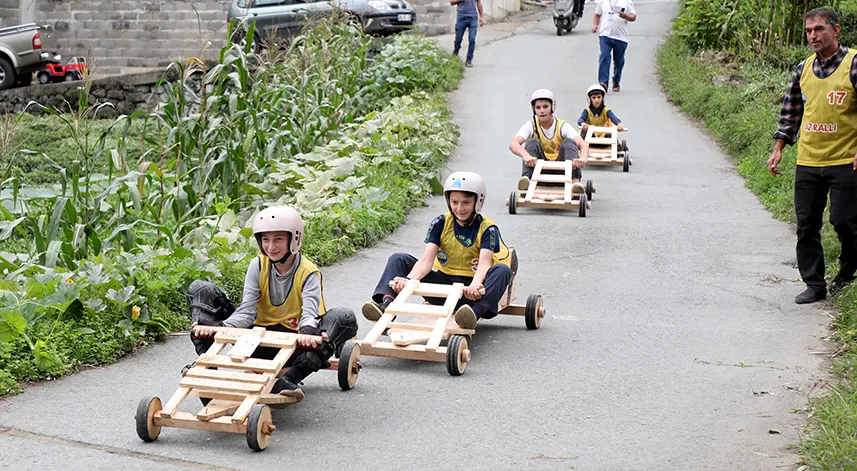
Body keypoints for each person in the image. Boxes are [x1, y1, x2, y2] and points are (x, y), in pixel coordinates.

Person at [186, 206, 359, 400]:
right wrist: (220, 327)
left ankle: (290, 380)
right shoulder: (257, 265)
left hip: (294, 346)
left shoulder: (309, 272)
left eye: (278, 239)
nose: (271, 246)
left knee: (343, 318)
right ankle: (207, 368)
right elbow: (247, 311)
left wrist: (309, 334)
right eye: (266, 239)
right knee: (200, 290)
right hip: (256, 341)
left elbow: (309, 315)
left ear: (294, 239)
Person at [768, 7, 857, 304]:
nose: (812, 36)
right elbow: (791, 112)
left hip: (846, 160)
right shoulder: (802, 69)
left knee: (845, 222)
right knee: (806, 226)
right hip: (808, 160)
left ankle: (848, 271)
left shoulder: (853, 64)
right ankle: (814, 283)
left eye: (818, 29)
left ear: (835, 30)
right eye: (808, 31)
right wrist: (779, 147)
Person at [361, 172, 513, 330]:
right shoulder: (440, 222)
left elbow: (484, 264)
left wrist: (474, 286)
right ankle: (386, 306)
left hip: (470, 295)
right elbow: (426, 261)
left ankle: (472, 315)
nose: (459, 208)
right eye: (454, 202)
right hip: (442, 289)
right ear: (448, 201)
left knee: (502, 271)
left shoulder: (488, 228)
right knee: (398, 259)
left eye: (466, 202)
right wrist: (408, 280)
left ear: (478, 201)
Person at [509, 89, 589, 192]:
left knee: (569, 142)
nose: (542, 111)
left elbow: (582, 145)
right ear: (534, 110)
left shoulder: (562, 126)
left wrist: (582, 159)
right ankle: (527, 181)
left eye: (545, 107)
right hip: (540, 171)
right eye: (538, 108)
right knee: (531, 142)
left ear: (552, 107)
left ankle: (574, 182)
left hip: (563, 172)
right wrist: (526, 156)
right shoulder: (531, 125)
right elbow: (513, 144)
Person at [591, 0, 636, 93]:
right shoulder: (602, 1)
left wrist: (626, 16)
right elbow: (597, 15)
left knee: (619, 61)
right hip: (605, 34)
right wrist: (595, 25)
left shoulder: (626, 2)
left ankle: (616, 80)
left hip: (621, 37)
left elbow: (633, 16)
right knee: (604, 56)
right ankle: (603, 82)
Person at [451, 0, 484, 68]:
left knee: (472, 39)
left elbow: (479, 3)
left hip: (473, 18)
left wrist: (481, 17)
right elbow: (452, 2)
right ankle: (456, 52)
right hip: (461, 17)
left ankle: (469, 59)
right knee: (458, 39)